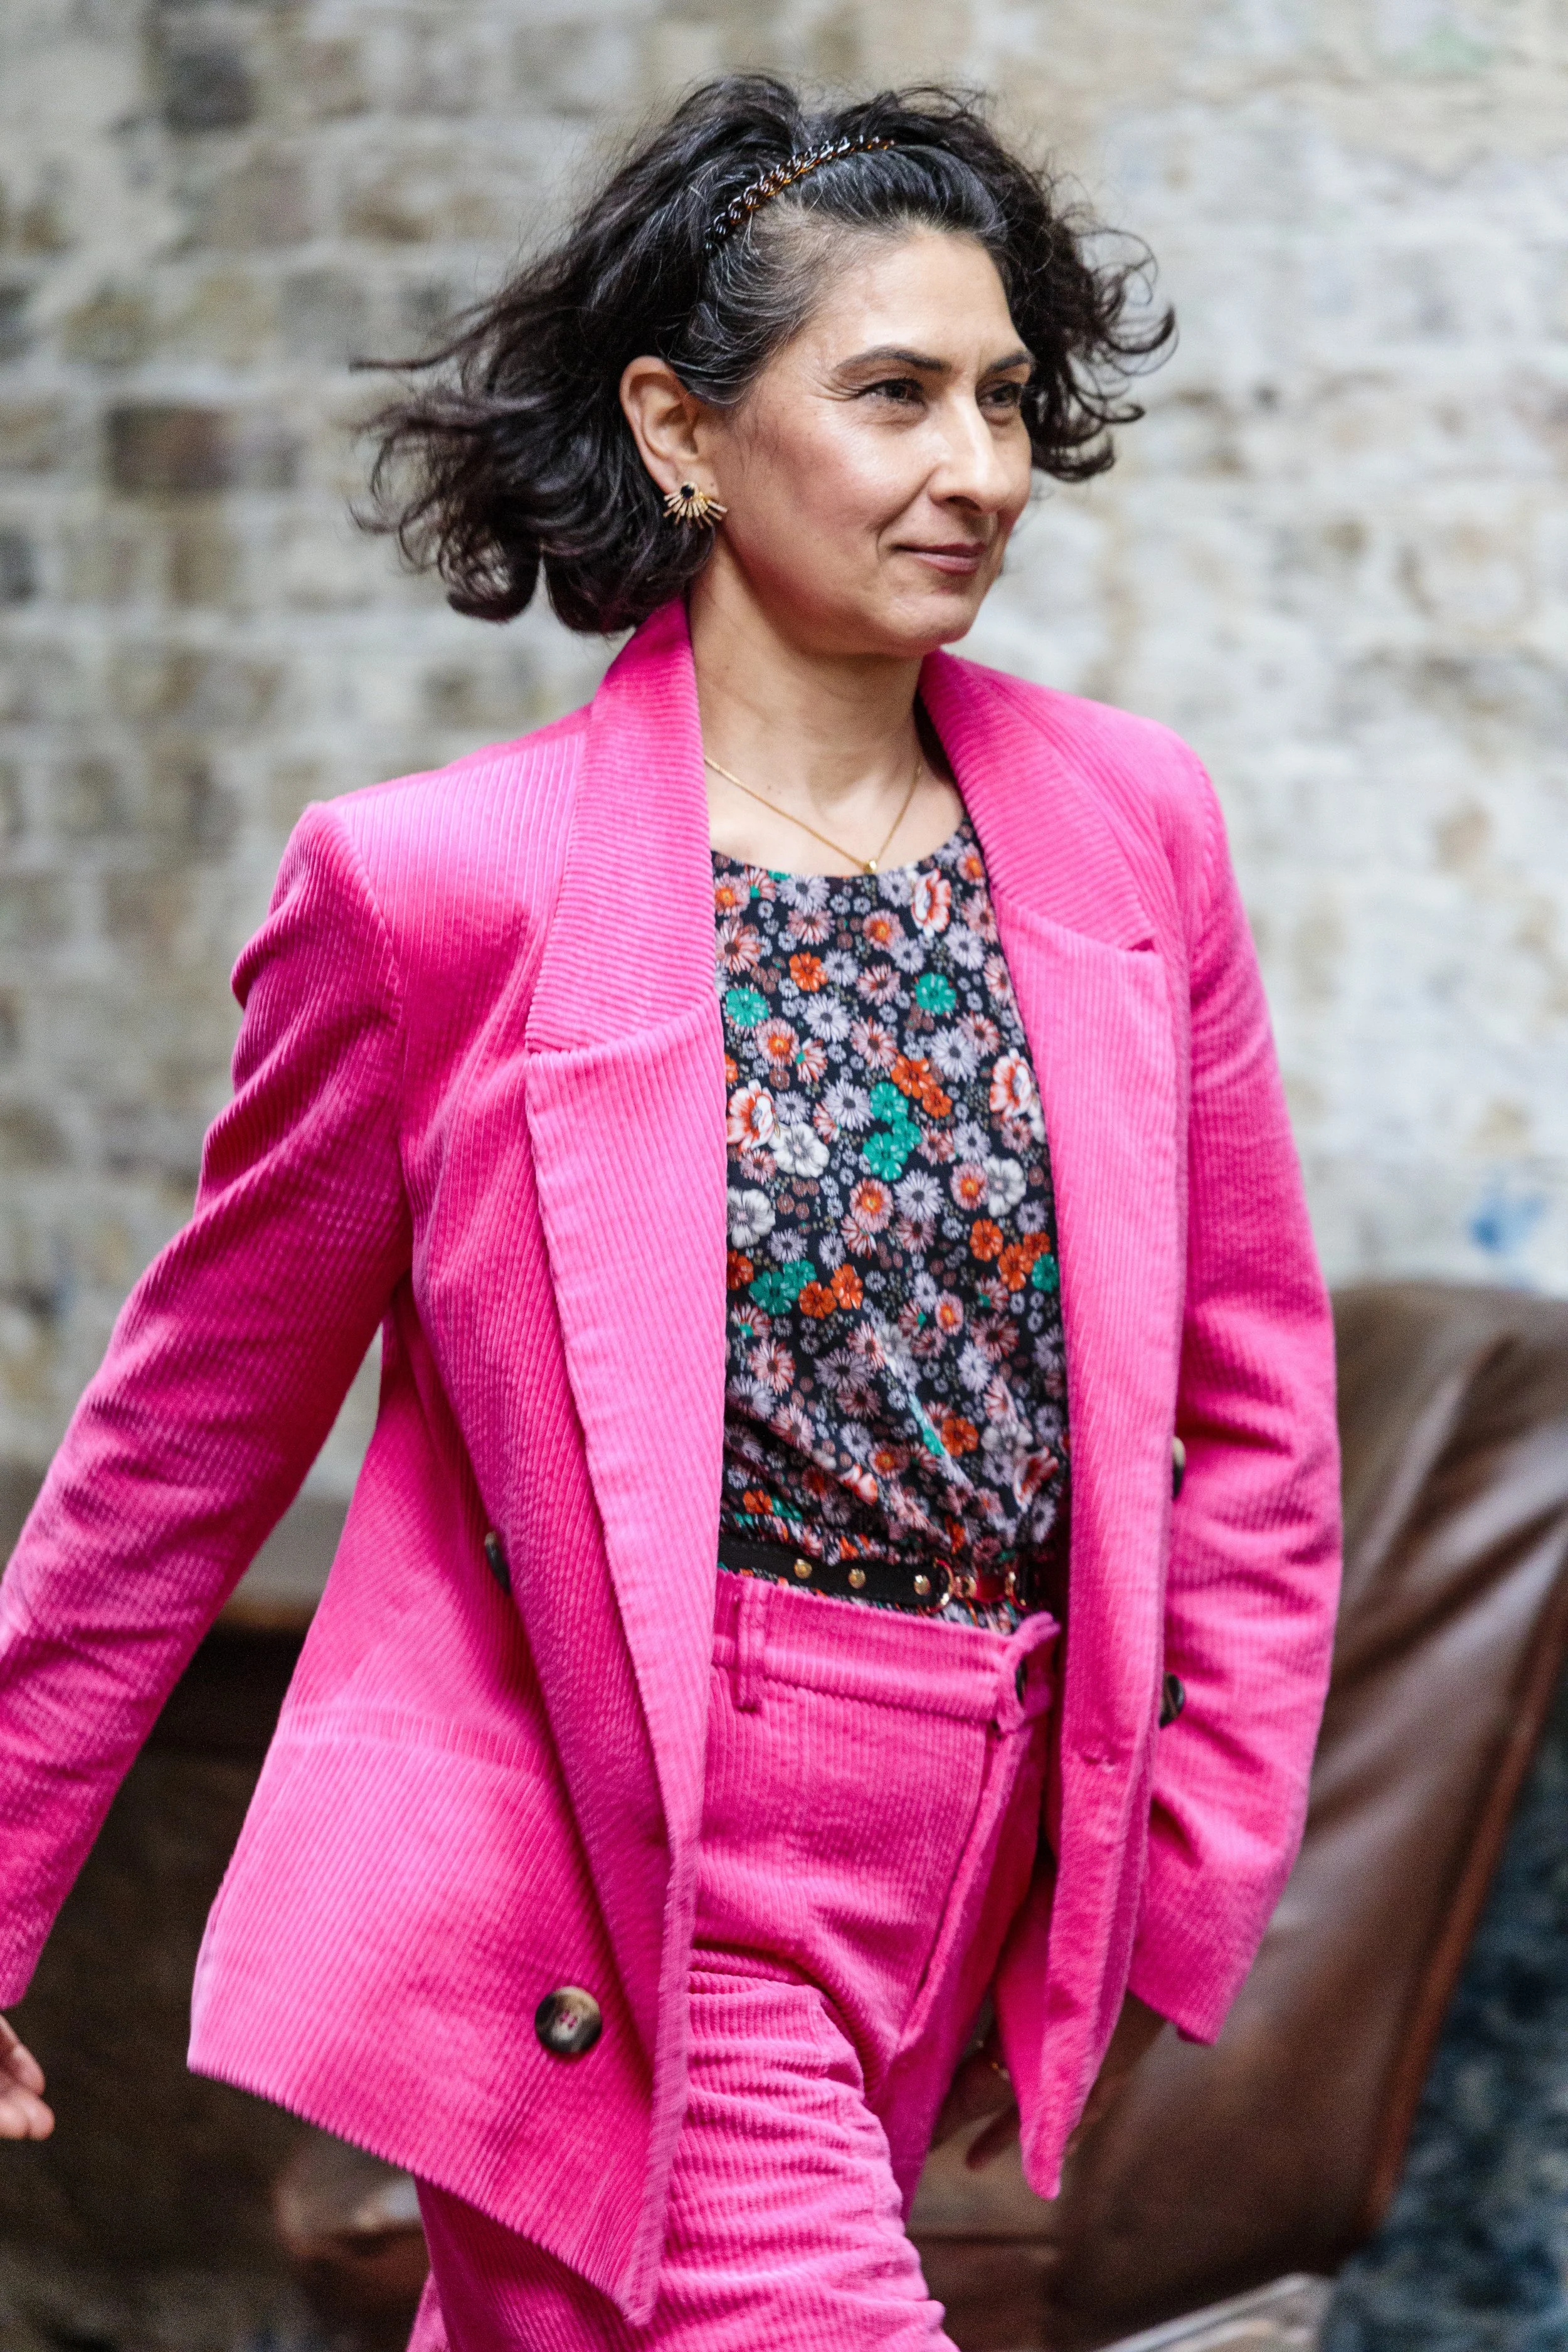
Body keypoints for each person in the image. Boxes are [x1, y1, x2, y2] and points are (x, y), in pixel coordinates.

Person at [0, 75, 1341, 2352]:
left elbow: (1252, 1402)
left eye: (1006, 396)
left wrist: (1177, 1877)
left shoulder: (1134, 828)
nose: (977, 468)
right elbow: (184, 1435)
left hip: (976, 1850)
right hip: (627, 1859)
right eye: (894, 392)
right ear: (681, 429)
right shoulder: (437, 893)